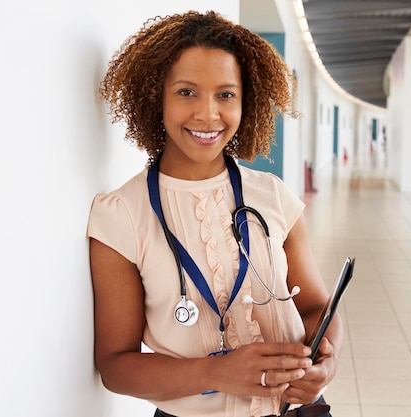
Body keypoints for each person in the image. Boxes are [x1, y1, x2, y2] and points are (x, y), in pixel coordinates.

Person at [87, 10, 343, 417]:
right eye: (187, 92)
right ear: (157, 97)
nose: (208, 114)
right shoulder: (122, 216)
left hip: (301, 410)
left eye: (225, 94)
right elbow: (116, 365)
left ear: (246, 101)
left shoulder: (272, 196)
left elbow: (317, 307)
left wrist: (325, 361)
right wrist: (216, 373)